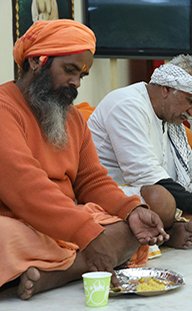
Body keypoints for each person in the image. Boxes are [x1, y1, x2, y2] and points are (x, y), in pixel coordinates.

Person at [0, 20, 168, 300]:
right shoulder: (5, 108)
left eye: (82, 75)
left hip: (65, 219)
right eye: (69, 70)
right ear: (36, 62)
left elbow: (92, 179)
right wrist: (86, 234)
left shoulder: (72, 116)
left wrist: (131, 210)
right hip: (16, 218)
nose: (76, 83)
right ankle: (79, 263)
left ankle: (53, 276)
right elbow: (24, 187)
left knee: (128, 229)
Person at [88, 55, 192, 247]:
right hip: (119, 193)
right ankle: (173, 229)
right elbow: (146, 176)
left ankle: (175, 227)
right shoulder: (127, 105)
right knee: (161, 200)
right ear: (166, 89)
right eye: (190, 102)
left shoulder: (169, 115)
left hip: (154, 187)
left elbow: (188, 159)